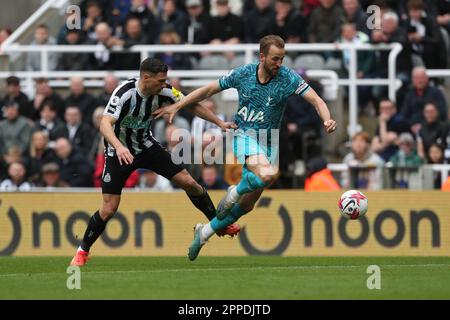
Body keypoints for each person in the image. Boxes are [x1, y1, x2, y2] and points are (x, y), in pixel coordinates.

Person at [153, 35, 337, 261]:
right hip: (245, 135)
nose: (279, 64)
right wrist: (179, 105)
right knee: (267, 174)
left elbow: (317, 100)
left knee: (248, 205)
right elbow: (209, 90)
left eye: (282, 59)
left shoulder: (288, 78)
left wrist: (326, 119)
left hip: (270, 141)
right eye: (275, 59)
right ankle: (236, 190)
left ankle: (204, 233)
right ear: (262, 57)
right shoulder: (244, 74)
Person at [70, 58, 240, 266]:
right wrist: (120, 146)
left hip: (145, 147)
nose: (164, 84)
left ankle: (218, 224)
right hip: (118, 151)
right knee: (109, 209)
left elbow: (191, 105)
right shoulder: (124, 93)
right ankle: (82, 251)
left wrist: (219, 122)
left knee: (189, 182)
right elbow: (105, 124)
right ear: (146, 78)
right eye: (160, 81)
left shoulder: (165, 91)